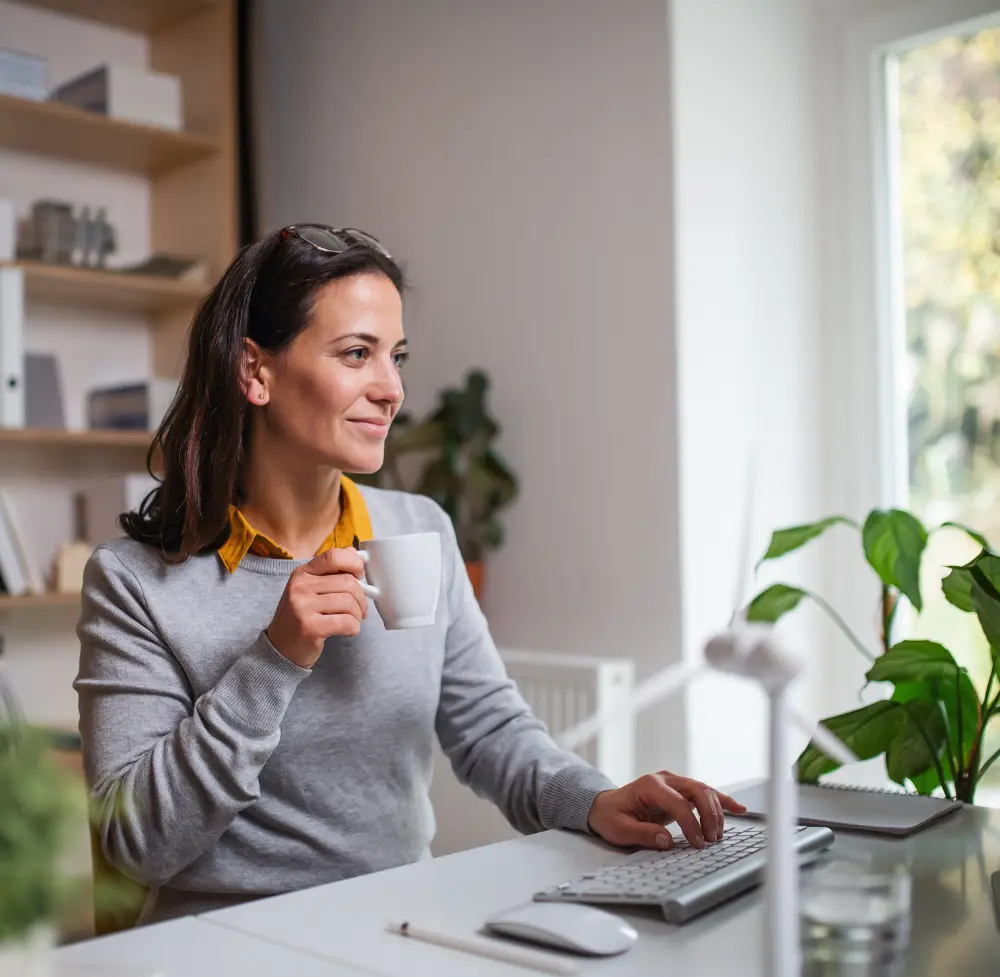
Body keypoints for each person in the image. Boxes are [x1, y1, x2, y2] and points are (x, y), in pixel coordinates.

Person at [75, 224, 745, 924]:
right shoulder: (133, 582)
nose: (391, 390)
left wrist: (594, 800)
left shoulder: (417, 529)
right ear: (255, 372)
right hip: (226, 943)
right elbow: (136, 843)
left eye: (395, 357)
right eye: (356, 354)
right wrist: (272, 660)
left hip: (400, 924)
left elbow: (490, 731)